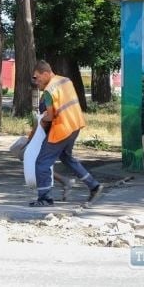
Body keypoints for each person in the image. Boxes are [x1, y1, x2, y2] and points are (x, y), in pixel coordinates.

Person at [29, 60, 103, 207]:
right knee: (66, 157)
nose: (35, 81)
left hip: (61, 129)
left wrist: (40, 119)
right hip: (75, 125)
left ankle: (45, 198)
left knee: (42, 163)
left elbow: (49, 117)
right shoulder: (65, 80)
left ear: (45, 73)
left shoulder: (49, 91)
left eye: (36, 77)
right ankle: (93, 185)